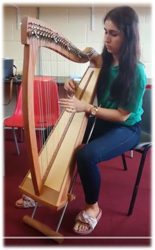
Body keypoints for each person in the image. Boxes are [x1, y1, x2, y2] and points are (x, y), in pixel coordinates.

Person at [16, 5, 147, 235]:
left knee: (86, 155)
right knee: (52, 130)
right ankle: (41, 186)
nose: (106, 39)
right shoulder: (103, 62)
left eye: (113, 34)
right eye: (105, 31)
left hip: (126, 128)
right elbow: (91, 86)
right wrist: (73, 85)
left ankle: (93, 208)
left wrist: (86, 107)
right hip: (101, 119)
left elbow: (122, 114)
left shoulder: (136, 72)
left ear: (128, 36)